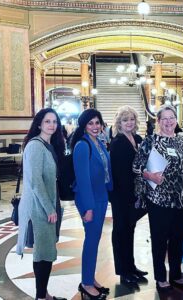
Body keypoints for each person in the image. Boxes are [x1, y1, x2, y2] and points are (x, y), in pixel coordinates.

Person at [133, 105, 183, 292]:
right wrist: (150, 176)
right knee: (159, 240)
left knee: (178, 239)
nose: (168, 122)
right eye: (164, 118)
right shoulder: (150, 141)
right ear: (158, 121)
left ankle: (176, 274)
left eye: (172, 117)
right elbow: (136, 167)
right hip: (159, 199)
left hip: (181, 200)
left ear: (176, 120)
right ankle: (160, 277)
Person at [16, 108, 66, 300]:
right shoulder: (35, 146)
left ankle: (43, 293)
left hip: (48, 204)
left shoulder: (48, 144)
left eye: (54, 121)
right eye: (47, 121)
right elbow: (36, 181)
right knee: (44, 252)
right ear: (39, 124)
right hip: (40, 208)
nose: (52, 125)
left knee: (46, 249)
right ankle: (41, 297)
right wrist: (49, 208)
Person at [71, 109, 112, 300]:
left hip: (101, 196)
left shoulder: (99, 143)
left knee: (94, 240)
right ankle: (86, 283)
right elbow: (83, 179)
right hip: (89, 199)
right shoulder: (82, 145)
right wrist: (88, 207)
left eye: (97, 123)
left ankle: (90, 278)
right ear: (84, 126)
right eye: (91, 123)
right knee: (91, 240)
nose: (95, 126)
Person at [109, 106, 148, 287]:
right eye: (125, 120)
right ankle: (123, 271)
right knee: (121, 232)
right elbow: (120, 174)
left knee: (129, 231)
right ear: (119, 123)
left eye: (131, 119)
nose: (129, 123)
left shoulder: (136, 138)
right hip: (121, 196)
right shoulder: (118, 142)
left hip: (133, 193)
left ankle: (131, 266)